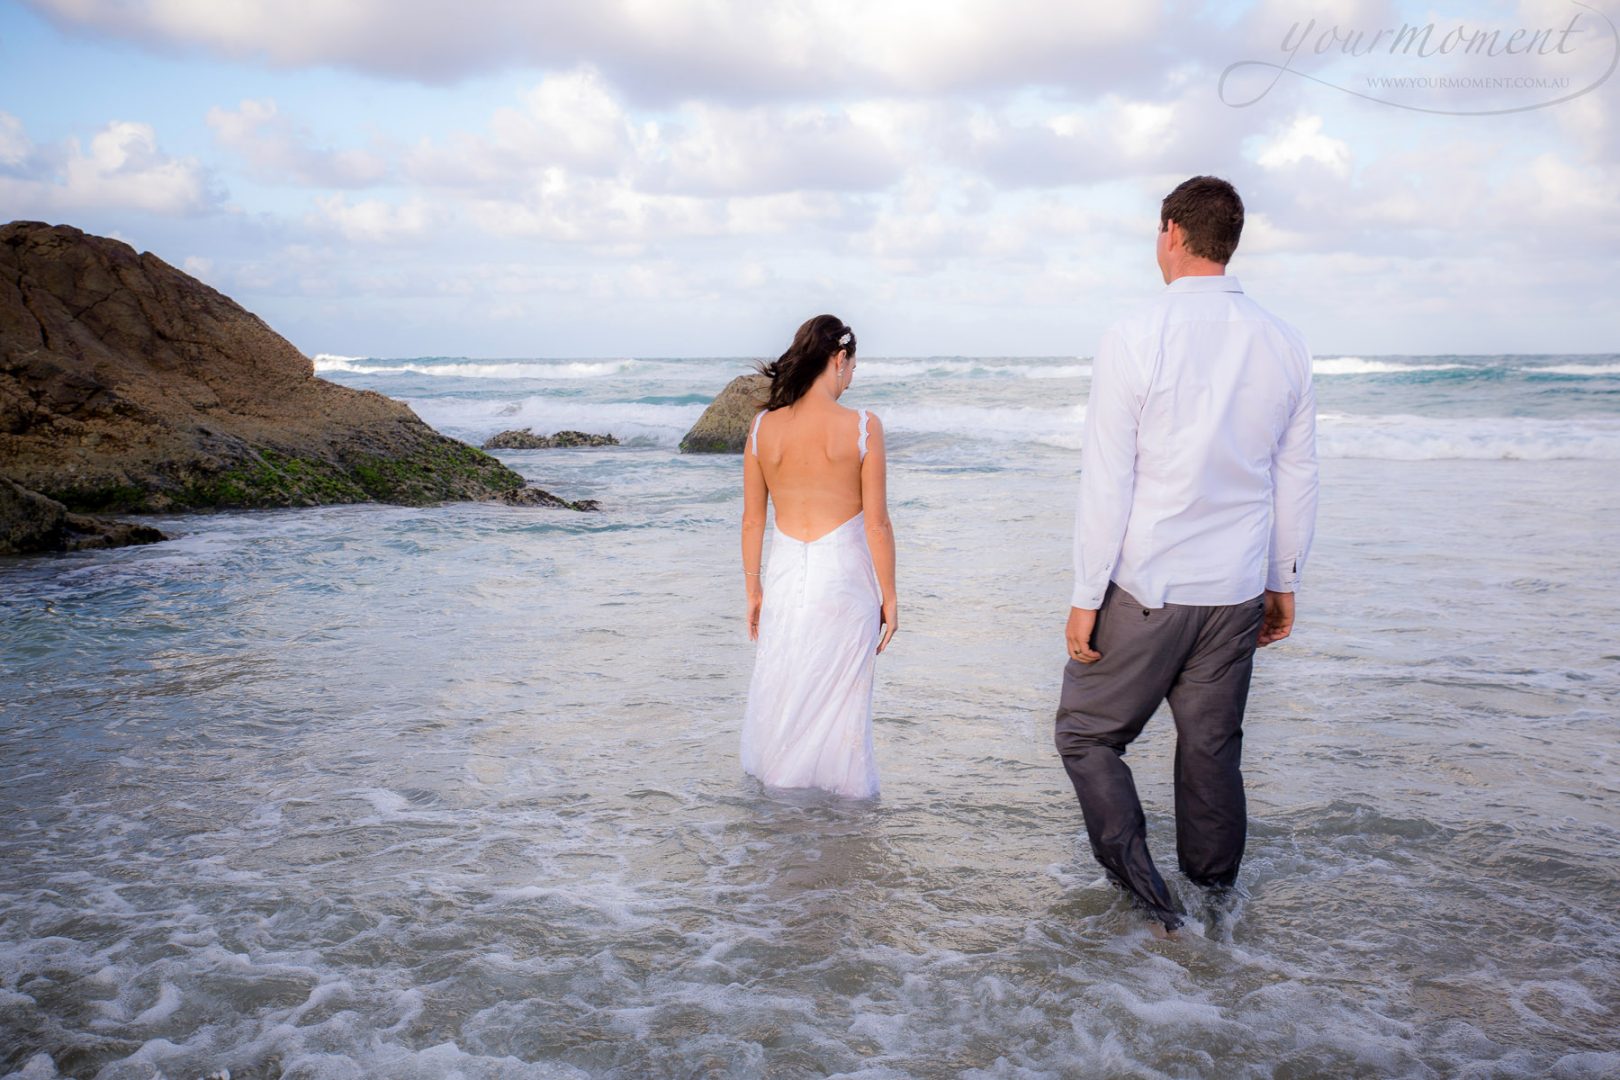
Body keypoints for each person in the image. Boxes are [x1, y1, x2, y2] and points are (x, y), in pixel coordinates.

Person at [1054, 176, 1319, 935]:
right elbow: (1295, 476)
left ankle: (1151, 901)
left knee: (1085, 733)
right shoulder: (1283, 341)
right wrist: (1283, 579)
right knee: (1210, 750)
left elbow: (1110, 477)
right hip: (1235, 587)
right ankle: (1216, 905)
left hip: (1148, 585)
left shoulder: (1136, 334)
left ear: (1172, 231)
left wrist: (1084, 591)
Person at [739, 314, 899, 799]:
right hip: (845, 579)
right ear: (838, 359)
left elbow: (751, 520)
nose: (852, 379)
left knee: (787, 690)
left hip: (786, 577)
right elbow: (876, 523)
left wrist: (753, 590)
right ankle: (840, 815)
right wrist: (890, 596)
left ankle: (784, 808)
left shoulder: (763, 426)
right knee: (842, 700)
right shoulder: (863, 427)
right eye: (852, 367)